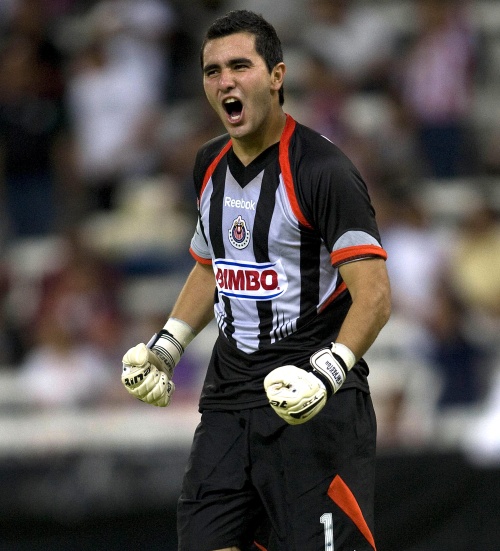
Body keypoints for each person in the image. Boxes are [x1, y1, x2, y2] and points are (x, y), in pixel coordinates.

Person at [121, 10, 391, 551]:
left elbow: (376, 296)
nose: (225, 81)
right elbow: (212, 264)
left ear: (276, 76)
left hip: (312, 403)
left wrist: (327, 372)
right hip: (228, 398)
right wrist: (168, 346)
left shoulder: (324, 170)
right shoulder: (208, 164)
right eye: (212, 71)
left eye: (240, 66)